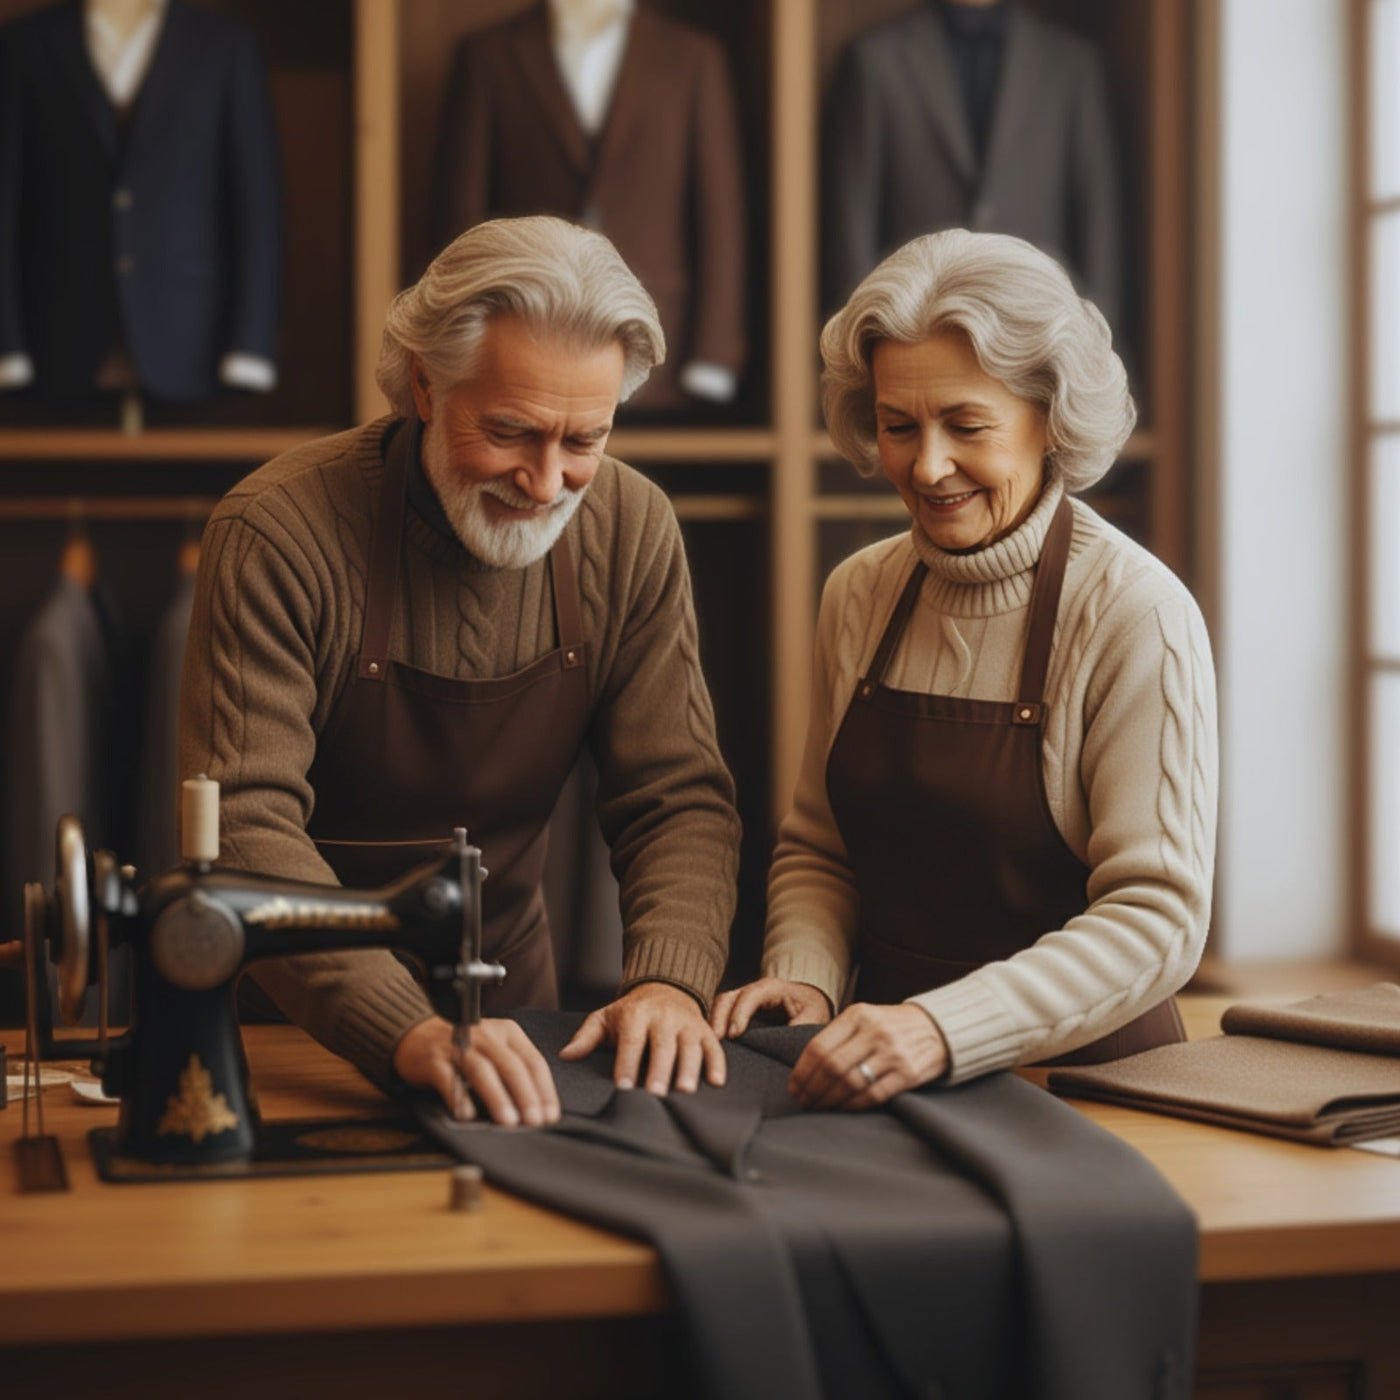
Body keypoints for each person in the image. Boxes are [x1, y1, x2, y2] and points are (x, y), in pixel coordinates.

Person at [179, 216, 741, 1126]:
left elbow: (676, 795)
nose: (547, 481)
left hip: (517, 1008)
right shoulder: (277, 533)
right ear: (425, 385)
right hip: (292, 1025)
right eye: (513, 431)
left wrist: (669, 983)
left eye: (585, 441)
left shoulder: (634, 530)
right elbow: (245, 822)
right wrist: (401, 1025)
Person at [712, 229, 1217, 1109]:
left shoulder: (1138, 613)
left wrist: (944, 1029)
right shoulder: (859, 592)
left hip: (1092, 1087)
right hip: (880, 1075)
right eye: (898, 426)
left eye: (967, 425)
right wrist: (806, 981)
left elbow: (1156, 919)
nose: (927, 465)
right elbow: (821, 850)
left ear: (1050, 417)